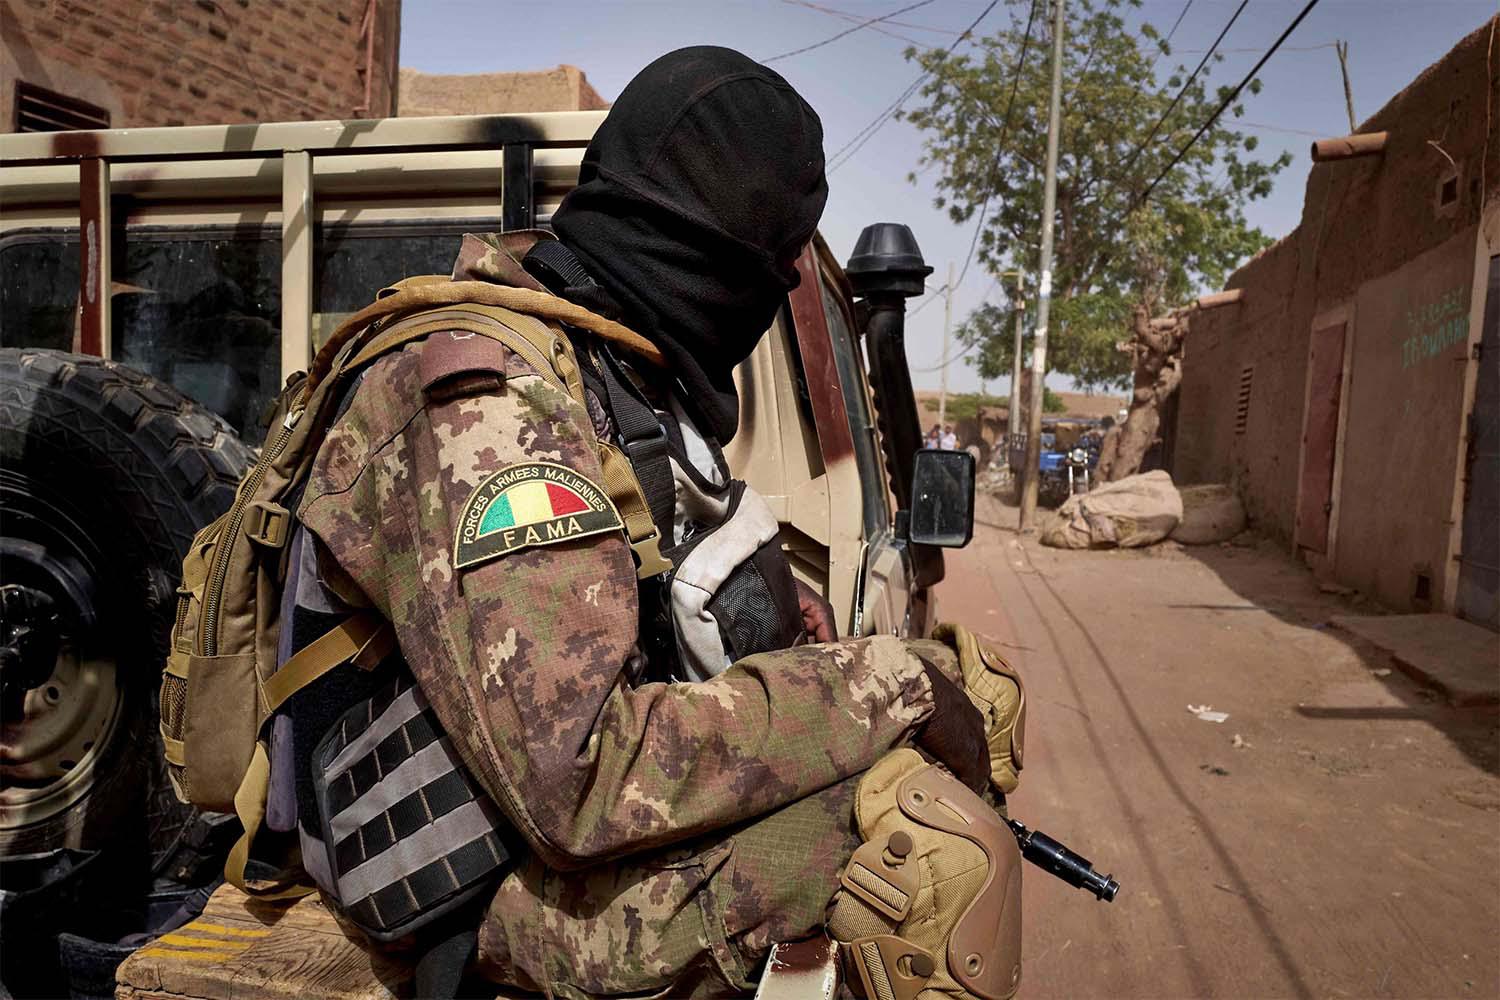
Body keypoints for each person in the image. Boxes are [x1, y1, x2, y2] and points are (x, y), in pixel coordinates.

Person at [296, 47, 1022, 996]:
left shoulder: (609, 360)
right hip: (456, 888)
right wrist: (886, 684)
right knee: (926, 872)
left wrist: (841, 667)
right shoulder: (495, 409)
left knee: (950, 722)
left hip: (522, 828)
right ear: (731, 258)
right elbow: (579, 778)